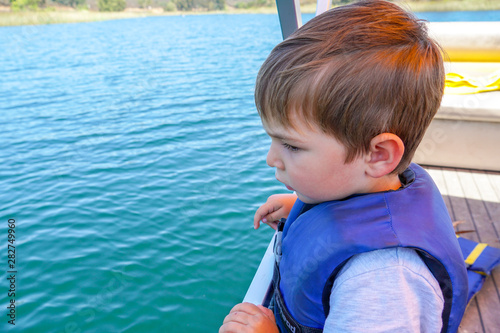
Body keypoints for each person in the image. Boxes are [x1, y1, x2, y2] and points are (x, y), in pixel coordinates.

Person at [219, 1, 468, 332]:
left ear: (378, 155)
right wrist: (302, 208)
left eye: (291, 145)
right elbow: (364, 214)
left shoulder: (381, 282)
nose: (271, 159)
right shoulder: (377, 180)